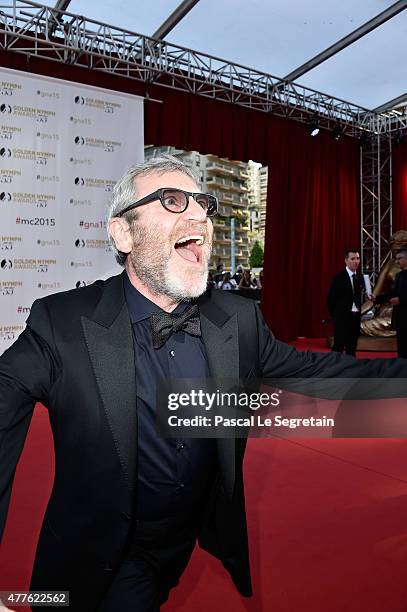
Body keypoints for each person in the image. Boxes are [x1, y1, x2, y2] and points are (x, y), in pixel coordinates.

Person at [1, 156, 407, 612]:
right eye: (172, 201)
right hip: (94, 560)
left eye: (203, 202)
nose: (199, 215)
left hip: (182, 546)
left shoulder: (236, 318)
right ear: (124, 233)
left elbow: (321, 378)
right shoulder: (62, 323)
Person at [327, 249, 365, 356]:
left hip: (355, 316)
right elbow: (331, 298)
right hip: (342, 317)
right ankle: (333, 368)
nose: (356, 261)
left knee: (352, 346)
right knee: (338, 345)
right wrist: (335, 316)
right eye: (352, 259)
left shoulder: (360, 277)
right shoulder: (339, 277)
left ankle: (351, 368)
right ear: (346, 261)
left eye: (357, 258)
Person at [374, 249, 407, 357]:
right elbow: (391, 295)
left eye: (399, 259)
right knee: (402, 349)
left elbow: (400, 297)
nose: (396, 262)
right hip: (400, 318)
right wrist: (375, 299)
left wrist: (401, 300)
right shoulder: (399, 276)